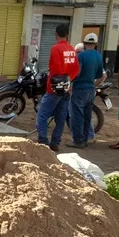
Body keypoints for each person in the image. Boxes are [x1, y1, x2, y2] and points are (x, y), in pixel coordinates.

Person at [36, 23, 80, 152]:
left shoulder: (55, 49)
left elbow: (56, 67)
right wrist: (68, 79)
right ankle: (55, 142)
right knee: (61, 117)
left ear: (56, 34)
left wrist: (59, 80)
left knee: (42, 115)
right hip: (67, 88)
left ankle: (43, 141)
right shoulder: (72, 49)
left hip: (54, 88)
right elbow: (77, 68)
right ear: (67, 34)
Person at [67, 33, 106, 148]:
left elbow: (76, 73)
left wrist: (70, 82)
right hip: (90, 90)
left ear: (84, 43)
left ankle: (78, 141)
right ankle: (85, 139)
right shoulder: (98, 56)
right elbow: (100, 75)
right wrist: (93, 85)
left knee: (76, 115)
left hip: (79, 89)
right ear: (95, 44)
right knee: (87, 116)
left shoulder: (80, 56)